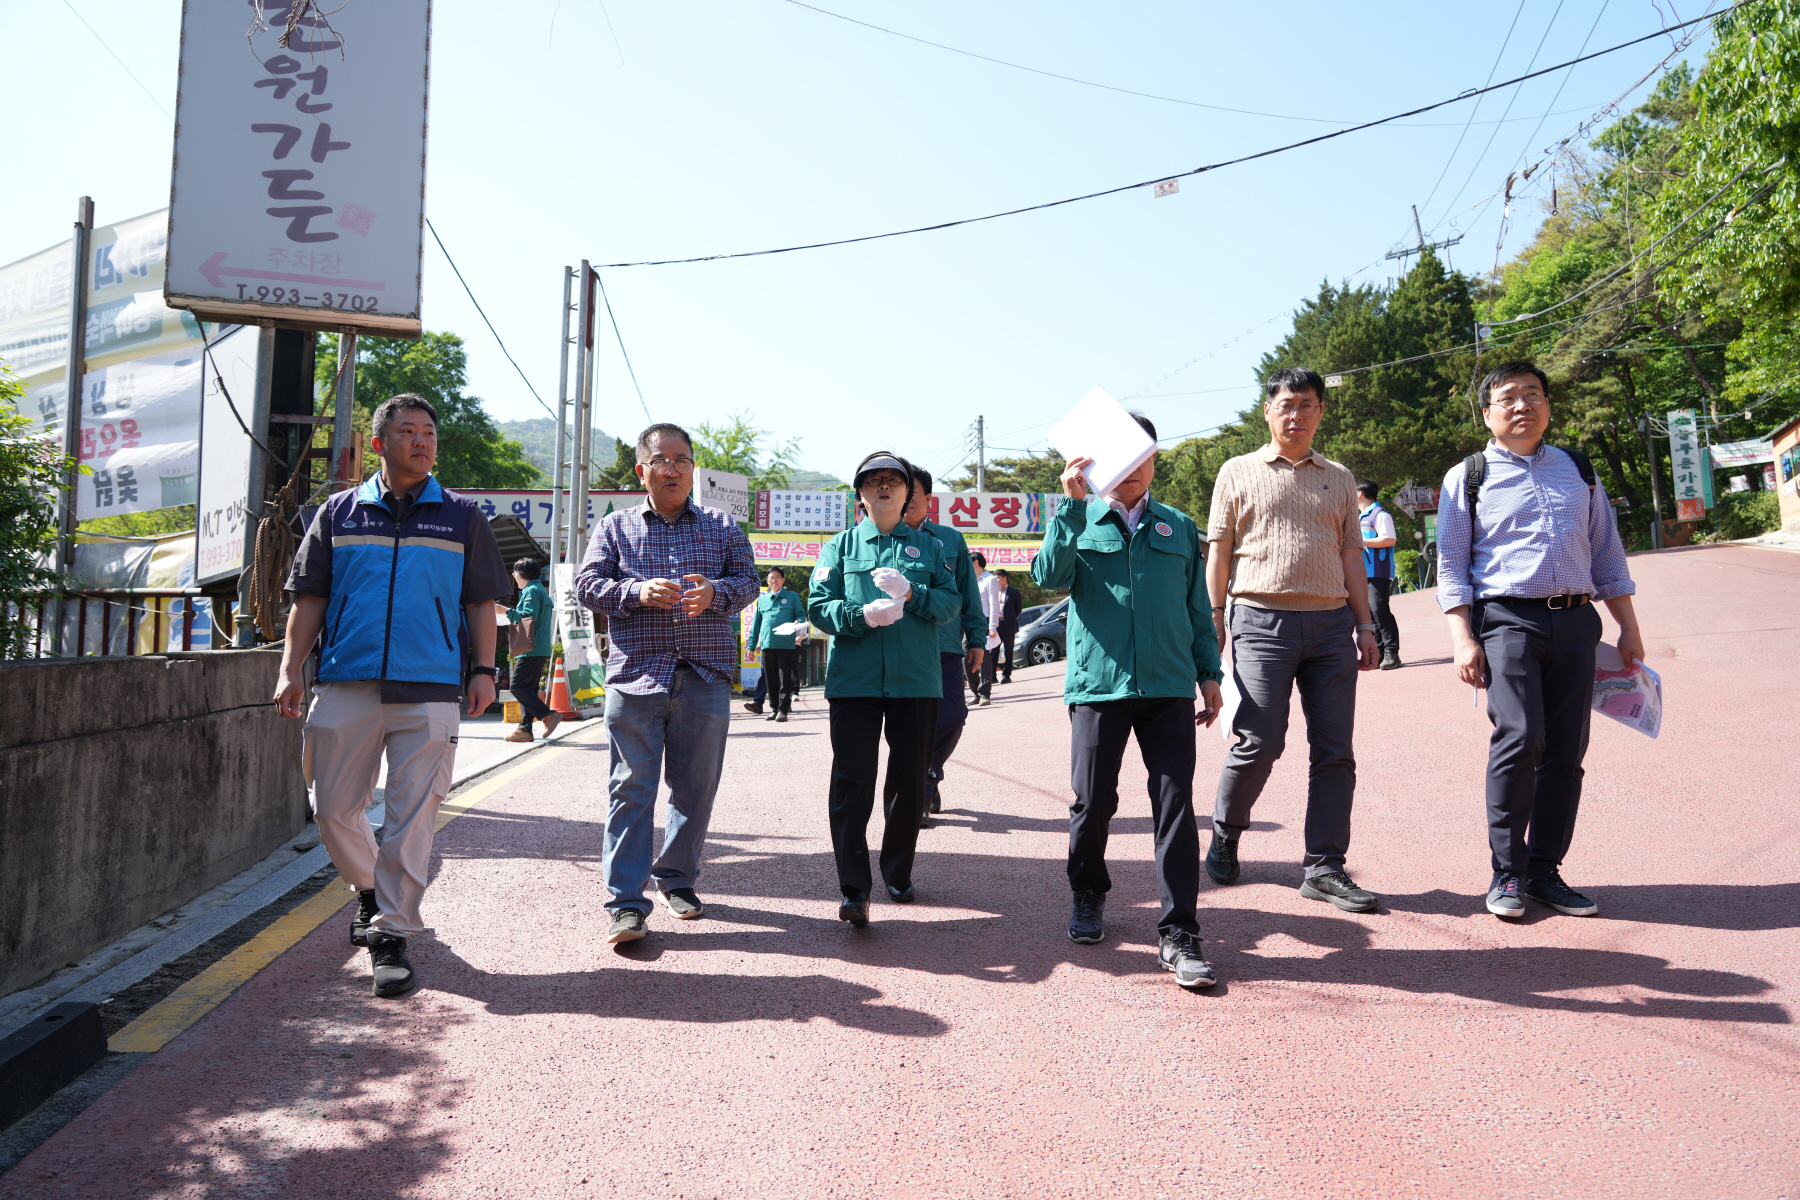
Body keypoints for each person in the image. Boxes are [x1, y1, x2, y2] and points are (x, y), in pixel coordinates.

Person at [276, 393, 512, 998]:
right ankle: (369, 890)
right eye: (407, 431)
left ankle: (391, 934)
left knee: (412, 819)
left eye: (429, 432)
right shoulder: (337, 513)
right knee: (332, 810)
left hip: (430, 687)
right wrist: (290, 669)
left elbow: (479, 601)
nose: (421, 442)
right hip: (345, 680)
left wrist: (484, 669)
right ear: (378, 443)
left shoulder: (463, 517)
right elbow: (310, 600)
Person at [1436, 361, 1641, 920]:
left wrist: (1629, 626)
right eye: (1509, 397)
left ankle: (1544, 870)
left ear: (1548, 406)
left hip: (1577, 623)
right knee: (1520, 736)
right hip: (1508, 622)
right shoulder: (1469, 476)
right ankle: (1506, 871)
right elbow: (1452, 564)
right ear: (1488, 413)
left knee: (1567, 750)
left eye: (1534, 394)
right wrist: (1462, 637)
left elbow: (1606, 551)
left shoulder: (1578, 468)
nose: (1523, 405)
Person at [1032, 413, 1225, 991]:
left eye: (1139, 454)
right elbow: (1047, 574)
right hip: (1098, 686)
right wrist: (1067, 508)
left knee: (1175, 808)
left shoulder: (1178, 527)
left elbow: (1198, 608)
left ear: (1154, 457)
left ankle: (1179, 932)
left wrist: (1209, 673)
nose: (1129, 469)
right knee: (1092, 802)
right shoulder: (1079, 517)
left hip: (1167, 685)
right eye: (1115, 456)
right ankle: (1088, 896)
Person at [1205, 367, 1383, 914]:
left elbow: (1353, 555)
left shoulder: (1338, 476)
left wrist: (1365, 623)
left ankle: (1324, 866)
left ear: (1321, 412)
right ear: (1267, 410)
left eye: (1307, 405)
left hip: (1331, 627)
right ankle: (1227, 832)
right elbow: (1220, 551)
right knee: (1260, 739)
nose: (1296, 414)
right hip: (1261, 622)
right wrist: (1214, 616)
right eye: (1286, 404)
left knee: (1335, 752)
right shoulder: (1237, 471)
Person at [575, 423, 759, 942]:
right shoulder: (615, 527)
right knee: (630, 787)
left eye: (682, 460)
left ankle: (676, 878)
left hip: (704, 674)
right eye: (662, 460)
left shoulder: (722, 525)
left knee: (696, 788)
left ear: (693, 468)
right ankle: (625, 903)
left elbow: (748, 580)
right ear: (643, 470)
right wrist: (635, 592)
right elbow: (588, 585)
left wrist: (716, 594)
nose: (673, 469)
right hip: (636, 677)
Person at [808, 452, 958, 926]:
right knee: (853, 783)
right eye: (874, 481)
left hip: (916, 681)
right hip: (855, 682)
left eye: (894, 481)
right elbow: (819, 606)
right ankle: (855, 889)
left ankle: (898, 871)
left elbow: (951, 604)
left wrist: (914, 595)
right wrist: (860, 617)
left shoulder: (930, 549)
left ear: (909, 493)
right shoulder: (839, 547)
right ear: (861, 494)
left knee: (909, 781)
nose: (885, 488)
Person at [897, 466, 988, 826]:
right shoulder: (882, 538)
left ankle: (927, 776)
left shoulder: (950, 540)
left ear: (928, 499)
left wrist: (977, 637)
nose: (905, 500)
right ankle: (918, 790)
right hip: (901, 647)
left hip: (945, 645)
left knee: (953, 715)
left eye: (913, 493)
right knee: (907, 725)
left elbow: (968, 593)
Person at [499, 559, 561, 743]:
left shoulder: (532, 591)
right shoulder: (538, 589)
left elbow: (526, 617)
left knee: (517, 687)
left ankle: (548, 715)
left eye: (515, 573)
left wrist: (504, 611)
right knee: (529, 690)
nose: (514, 576)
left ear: (522, 574)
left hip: (530, 649)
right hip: (538, 647)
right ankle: (525, 730)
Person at [745, 566, 806, 722]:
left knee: (784, 678)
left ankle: (783, 710)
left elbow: (800, 614)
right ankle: (774, 709)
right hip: (767, 645)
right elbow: (756, 625)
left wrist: (800, 623)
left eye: (777, 577)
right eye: (771, 578)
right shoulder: (762, 600)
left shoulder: (792, 596)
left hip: (786, 644)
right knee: (770, 678)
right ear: (767, 581)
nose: (774, 580)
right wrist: (752, 646)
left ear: (783, 580)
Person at [1357, 481, 1402, 670]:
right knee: (1369, 614)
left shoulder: (1380, 514)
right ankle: (1381, 652)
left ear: (1359, 493)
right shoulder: (1361, 517)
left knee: (1379, 609)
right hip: (1362, 572)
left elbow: (1390, 539)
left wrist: (1362, 541)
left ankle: (1392, 652)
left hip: (1378, 571)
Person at [967, 552, 1003, 705]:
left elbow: (994, 604)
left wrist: (993, 626)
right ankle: (975, 692)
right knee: (965, 656)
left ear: (975, 562)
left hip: (984, 621)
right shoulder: (969, 581)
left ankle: (985, 693)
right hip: (969, 621)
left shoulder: (990, 580)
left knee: (985, 658)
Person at [993, 570, 1023, 683]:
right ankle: (992, 676)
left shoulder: (1014, 592)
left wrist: (1009, 618)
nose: (995, 580)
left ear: (1005, 578)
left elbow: (1018, 609)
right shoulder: (993, 591)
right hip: (995, 624)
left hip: (1009, 624)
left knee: (1008, 650)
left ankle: (1006, 675)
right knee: (993, 651)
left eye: (997, 577)